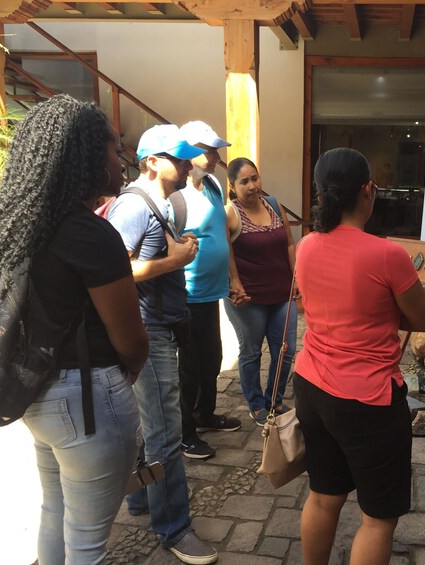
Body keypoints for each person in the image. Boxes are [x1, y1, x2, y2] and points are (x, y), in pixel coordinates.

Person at [0, 94, 148, 563]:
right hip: (89, 401)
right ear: (86, 158)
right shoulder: (90, 234)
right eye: (113, 148)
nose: (121, 157)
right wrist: (127, 371)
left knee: (56, 511)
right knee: (87, 542)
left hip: (38, 395)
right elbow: (131, 341)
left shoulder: (23, 226)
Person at [293, 147, 425, 565]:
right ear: (368, 191)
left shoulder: (306, 246)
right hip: (368, 398)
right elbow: (422, 320)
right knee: (378, 519)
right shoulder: (388, 255)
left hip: (312, 385)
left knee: (323, 496)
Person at [107, 124, 218, 564]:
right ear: (152, 161)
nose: (188, 161)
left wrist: (178, 250)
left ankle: (140, 500)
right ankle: (173, 527)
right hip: (148, 330)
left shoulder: (160, 202)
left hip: (162, 325)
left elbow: (145, 258)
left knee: (146, 425)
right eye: (179, 155)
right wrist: (174, 259)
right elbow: (112, 270)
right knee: (165, 432)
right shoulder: (133, 206)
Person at [171, 121, 245, 460]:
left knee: (211, 359)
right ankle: (185, 434)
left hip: (212, 292)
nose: (216, 156)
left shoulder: (214, 185)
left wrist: (233, 280)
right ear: (188, 152)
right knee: (189, 368)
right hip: (186, 294)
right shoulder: (174, 195)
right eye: (208, 150)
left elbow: (223, 237)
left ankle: (205, 415)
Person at [224, 157, 296, 426]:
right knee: (252, 351)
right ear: (233, 186)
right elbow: (226, 251)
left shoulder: (274, 205)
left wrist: (295, 274)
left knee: (285, 350)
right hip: (249, 298)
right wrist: (235, 283)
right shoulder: (230, 213)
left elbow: (289, 243)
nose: (252, 185)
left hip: (281, 294)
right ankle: (256, 403)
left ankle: (274, 399)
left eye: (255, 178)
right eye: (245, 181)